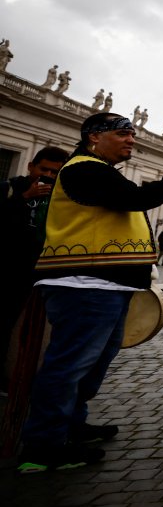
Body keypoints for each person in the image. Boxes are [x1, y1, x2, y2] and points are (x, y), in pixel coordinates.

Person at [17, 113, 163, 472]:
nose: (131, 140)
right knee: (70, 365)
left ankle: (73, 425)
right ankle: (42, 446)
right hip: (84, 285)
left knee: (91, 363)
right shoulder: (82, 169)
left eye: (133, 135)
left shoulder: (100, 172)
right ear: (94, 137)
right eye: (123, 133)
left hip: (107, 284)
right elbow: (139, 199)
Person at [0, 146, 70, 390]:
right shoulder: (8, 189)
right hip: (9, 269)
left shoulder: (61, 197)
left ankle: (25, 376)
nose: (49, 176)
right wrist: (23, 198)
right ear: (31, 166)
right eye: (44, 169)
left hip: (43, 272)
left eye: (55, 172)